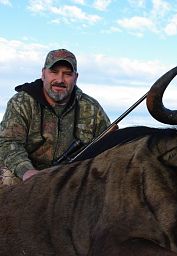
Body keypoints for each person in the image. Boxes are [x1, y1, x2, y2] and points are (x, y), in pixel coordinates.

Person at [0, 49, 111, 186]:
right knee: (8, 177)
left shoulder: (92, 108)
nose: (60, 80)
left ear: (76, 77)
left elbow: (109, 145)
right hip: (28, 175)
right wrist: (27, 172)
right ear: (43, 74)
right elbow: (8, 142)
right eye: (54, 72)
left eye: (67, 74)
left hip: (69, 178)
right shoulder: (21, 102)